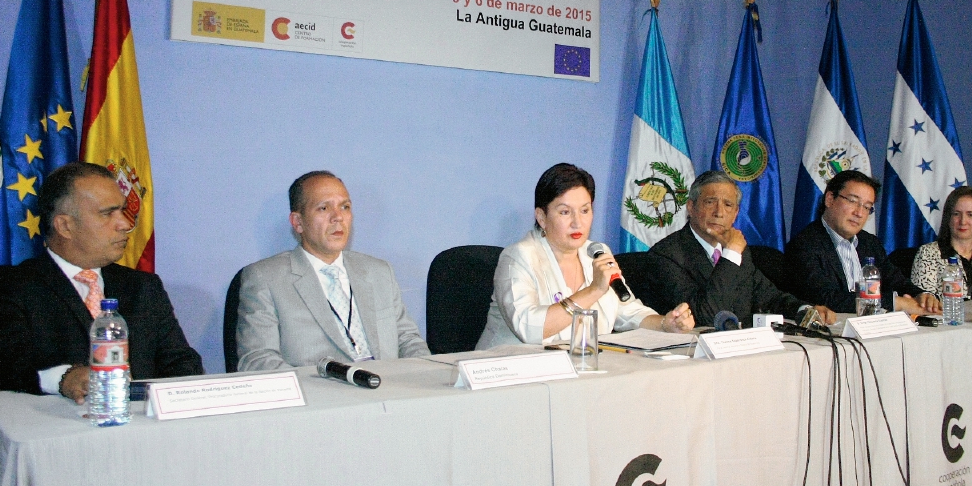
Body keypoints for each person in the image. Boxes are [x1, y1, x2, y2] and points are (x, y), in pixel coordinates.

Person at [0, 162, 203, 406]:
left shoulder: (143, 287)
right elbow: (3, 366)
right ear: (65, 225)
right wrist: (64, 378)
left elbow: (182, 365)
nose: (126, 224)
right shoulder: (10, 286)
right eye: (108, 213)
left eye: (123, 211)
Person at [477, 163, 695, 349]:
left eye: (584, 210)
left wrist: (665, 324)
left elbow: (627, 310)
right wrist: (593, 291)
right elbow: (529, 328)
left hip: (575, 371)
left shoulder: (596, 253)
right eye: (564, 212)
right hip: (507, 375)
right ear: (542, 217)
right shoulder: (518, 257)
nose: (577, 222)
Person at [236, 171, 428, 369]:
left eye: (345, 207)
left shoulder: (379, 271)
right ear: (298, 222)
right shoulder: (265, 278)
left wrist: (425, 375)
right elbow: (257, 359)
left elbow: (408, 340)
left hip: (390, 388)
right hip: (321, 394)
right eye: (323, 208)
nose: (338, 217)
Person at [649, 171, 837, 328]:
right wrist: (730, 254)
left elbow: (769, 296)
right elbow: (704, 316)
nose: (719, 212)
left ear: (736, 213)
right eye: (710, 202)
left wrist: (804, 310)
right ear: (691, 207)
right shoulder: (667, 255)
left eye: (728, 205)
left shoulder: (739, 251)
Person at [785, 170, 941, 316]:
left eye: (867, 207)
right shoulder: (804, 245)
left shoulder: (869, 243)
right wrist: (896, 303)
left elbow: (895, 280)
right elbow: (826, 298)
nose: (859, 213)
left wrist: (922, 295)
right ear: (830, 199)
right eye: (853, 201)